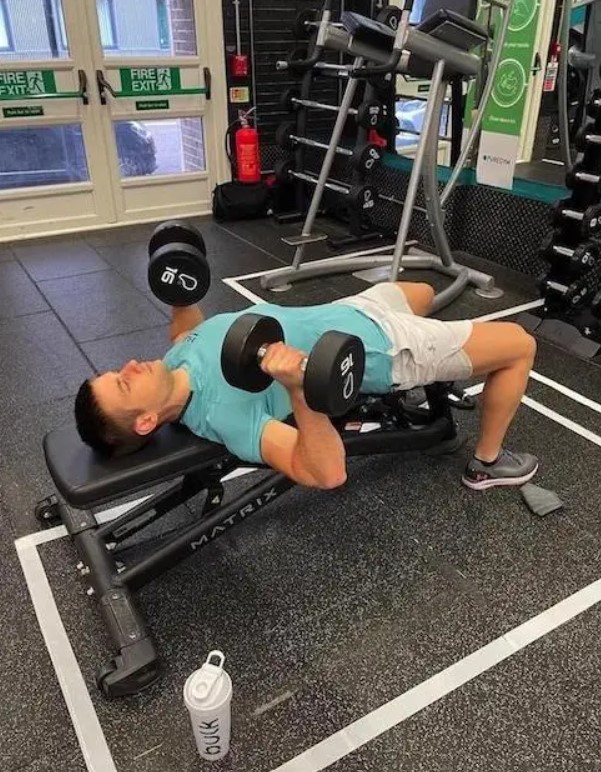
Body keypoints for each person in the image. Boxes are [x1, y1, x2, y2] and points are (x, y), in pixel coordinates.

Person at [74, 282, 538, 491]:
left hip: (348, 311)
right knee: (520, 344)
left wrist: (181, 295)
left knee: (420, 290)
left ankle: (435, 382)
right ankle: (487, 465)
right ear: (147, 421)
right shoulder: (228, 419)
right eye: (123, 382)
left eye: (119, 370)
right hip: (384, 348)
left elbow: (184, 331)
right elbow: (326, 473)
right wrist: (299, 390)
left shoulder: (175, 359)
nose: (130, 365)